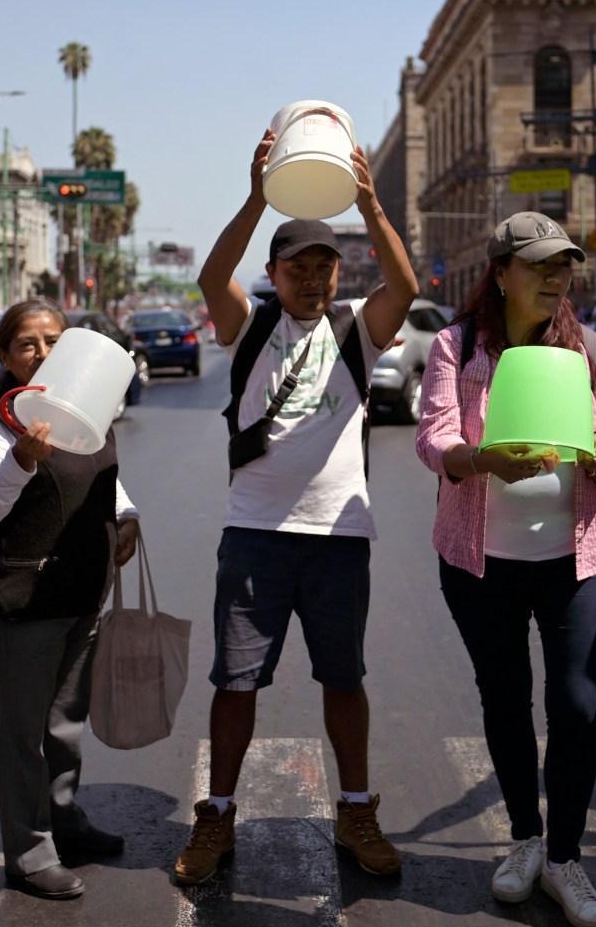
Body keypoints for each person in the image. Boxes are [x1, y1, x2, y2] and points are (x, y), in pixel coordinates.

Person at [172, 131, 418, 887]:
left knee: (343, 681)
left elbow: (403, 288)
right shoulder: (247, 330)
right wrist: (257, 196)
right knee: (235, 685)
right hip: (254, 537)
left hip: (340, 537)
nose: (311, 279)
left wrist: (371, 204)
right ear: (273, 275)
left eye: (324, 267)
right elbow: (214, 275)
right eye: (296, 268)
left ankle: (354, 810)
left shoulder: (354, 332)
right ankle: (216, 814)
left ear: (338, 274)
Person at [414, 213, 596, 927]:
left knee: (576, 706)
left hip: (577, 557)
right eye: (538, 265)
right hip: (481, 562)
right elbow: (433, 437)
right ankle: (524, 839)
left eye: (563, 266)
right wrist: (482, 458)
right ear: (502, 273)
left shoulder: (588, 347)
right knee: (505, 699)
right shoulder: (457, 346)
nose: (554, 277)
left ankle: (566, 856)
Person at [0, 300, 140, 899]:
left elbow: (103, 476)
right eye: (26, 344)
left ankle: (63, 819)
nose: (41, 353)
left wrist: (125, 514)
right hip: (25, 599)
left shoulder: (86, 404)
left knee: (64, 724)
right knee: (24, 732)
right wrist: (21, 460)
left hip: (82, 591)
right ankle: (30, 851)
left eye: (52, 341)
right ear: (6, 358)